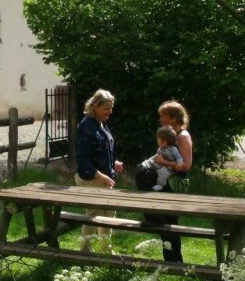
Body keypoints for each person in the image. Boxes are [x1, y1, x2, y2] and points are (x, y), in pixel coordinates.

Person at [135, 100, 193, 263]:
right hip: (166, 180)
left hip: (176, 183)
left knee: (169, 223)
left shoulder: (183, 136)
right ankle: (171, 260)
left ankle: (175, 261)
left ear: (174, 118)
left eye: (163, 116)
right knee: (165, 224)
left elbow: (186, 165)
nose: (160, 120)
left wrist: (164, 163)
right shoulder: (167, 135)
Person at [74, 89, 124, 252]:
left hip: (104, 178)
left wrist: (113, 163)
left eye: (111, 108)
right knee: (93, 216)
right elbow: (82, 159)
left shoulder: (101, 123)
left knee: (109, 214)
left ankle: (105, 251)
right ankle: (84, 252)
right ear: (95, 106)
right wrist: (101, 176)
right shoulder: (86, 126)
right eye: (106, 108)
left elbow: (101, 151)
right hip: (90, 179)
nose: (110, 112)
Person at [138, 125, 184, 191]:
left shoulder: (173, 149)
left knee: (163, 173)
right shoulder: (160, 148)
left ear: (164, 142)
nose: (157, 140)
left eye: (158, 139)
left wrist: (179, 163)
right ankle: (144, 165)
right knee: (152, 160)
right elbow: (156, 157)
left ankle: (160, 185)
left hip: (167, 168)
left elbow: (179, 158)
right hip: (159, 164)